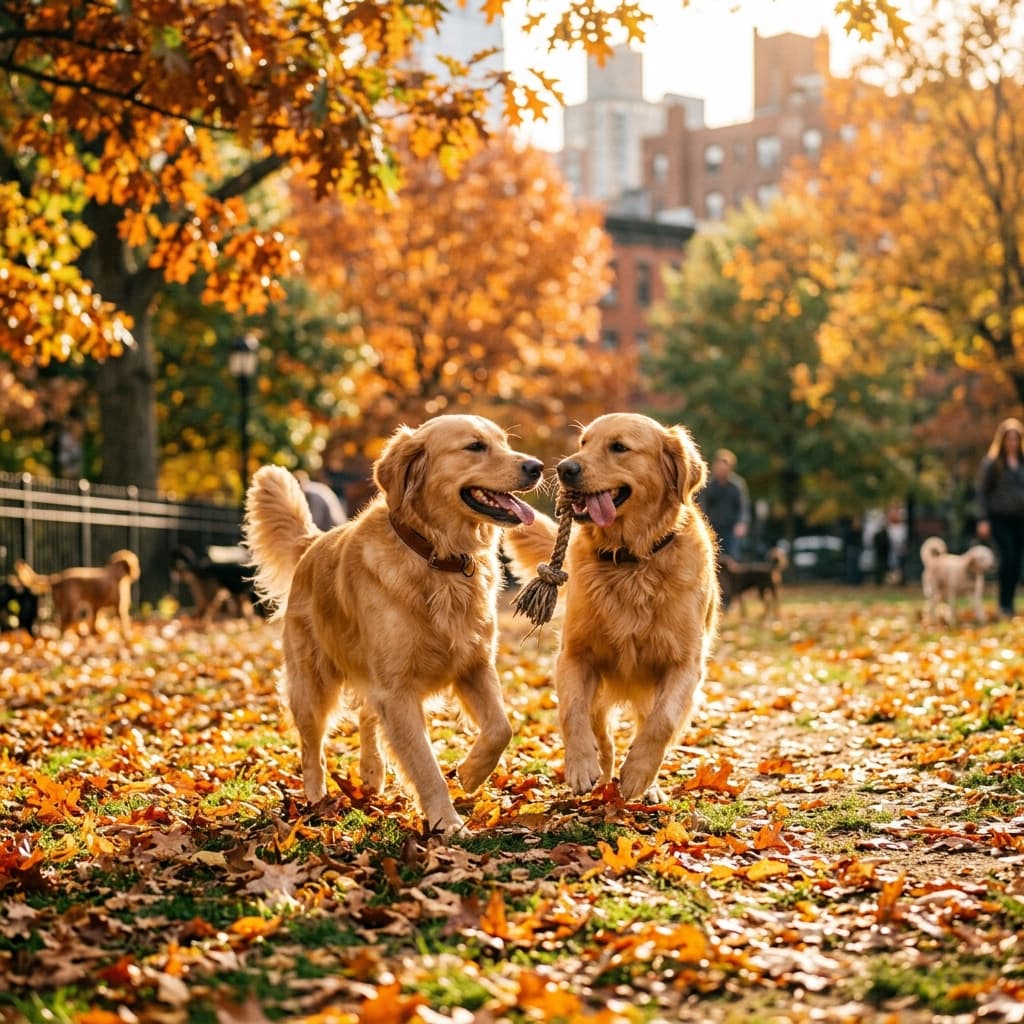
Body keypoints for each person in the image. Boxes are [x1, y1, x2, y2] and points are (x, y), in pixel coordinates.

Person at [976, 417, 1024, 618]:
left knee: (1017, 562)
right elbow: (983, 492)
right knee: (1007, 558)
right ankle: (1003, 603)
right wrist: (983, 519)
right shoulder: (992, 463)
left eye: (1016, 439)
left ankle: (1010, 604)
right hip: (999, 518)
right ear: (1003, 440)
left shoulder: (1022, 463)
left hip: (1020, 519)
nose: (1012, 443)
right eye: (1009, 439)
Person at [698, 448, 750, 560]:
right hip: (712, 528)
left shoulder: (737, 486)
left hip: (731, 530)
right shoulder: (708, 485)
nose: (721, 469)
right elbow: (702, 506)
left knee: (732, 560)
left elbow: (743, 508)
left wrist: (742, 523)